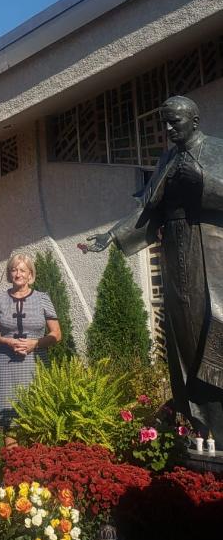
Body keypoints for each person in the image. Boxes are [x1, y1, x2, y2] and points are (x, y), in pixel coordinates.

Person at [87, 94, 223, 449]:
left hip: (211, 249)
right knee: (184, 338)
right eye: (164, 122)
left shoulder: (217, 150)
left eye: (174, 122)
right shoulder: (166, 159)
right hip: (176, 250)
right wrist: (111, 235)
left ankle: (220, 422)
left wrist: (201, 180)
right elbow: (149, 210)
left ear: (194, 121)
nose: (167, 129)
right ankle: (200, 425)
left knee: (212, 330)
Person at [0, 252, 61, 442]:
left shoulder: (43, 299)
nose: (18, 274)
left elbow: (56, 334)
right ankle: (13, 461)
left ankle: (34, 460)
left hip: (36, 362)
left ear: (30, 274)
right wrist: (7, 341)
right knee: (10, 418)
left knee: (38, 414)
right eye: (14, 270)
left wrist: (35, 343)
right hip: (7, 364)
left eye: (22, 270)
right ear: (9, 273)